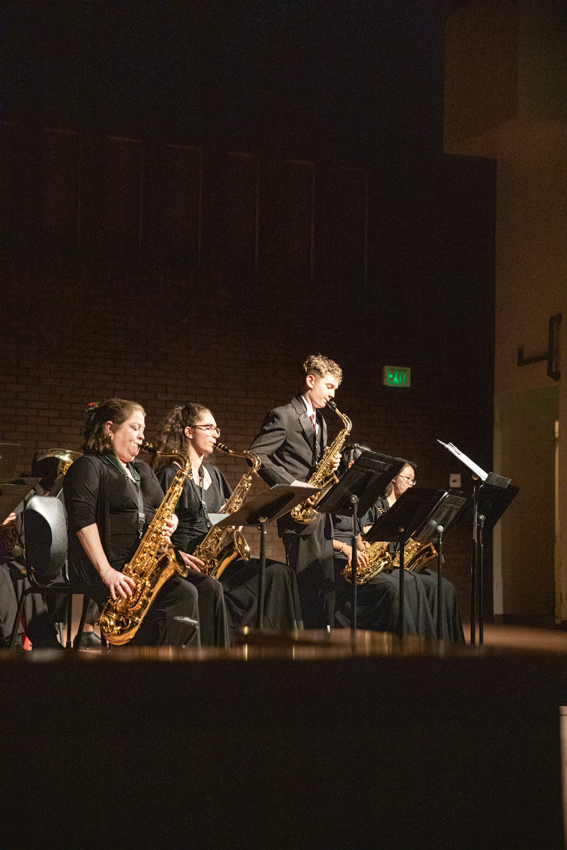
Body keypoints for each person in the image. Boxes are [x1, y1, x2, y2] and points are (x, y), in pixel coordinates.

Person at [63, 398, 206, 647]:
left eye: (143, 429)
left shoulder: (143, 469)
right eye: (135, 428)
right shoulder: (89, 466)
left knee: (208, 588)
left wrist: (170, 522)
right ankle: (162, 675)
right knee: (182, 595)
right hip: (106, 564)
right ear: (110, 428)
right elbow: (81, 520)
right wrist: (107, 572)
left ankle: (210, 670)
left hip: (141, 562)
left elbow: (163, 511)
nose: (142, 436)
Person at [154, 403, 302, 633]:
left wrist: (234, 521)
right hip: (188, 561)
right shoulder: (168, 475)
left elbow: (222, 517)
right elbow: (155, 528)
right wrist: (174, 554)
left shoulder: (214, 474)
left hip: (216, 558)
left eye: (217, 429)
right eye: (209, 428)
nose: (215, 434)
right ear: (189, 432)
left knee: (279, 573)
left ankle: (277, 648)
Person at [249, 354, 343, 629]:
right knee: (306, 587)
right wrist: (292, 485)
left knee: (324, 586)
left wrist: (330, 462)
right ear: (310, 380)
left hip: (319, 512)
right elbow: (256, 456)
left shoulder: (321, 421)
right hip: (297, 511)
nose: (332, 394)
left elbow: (313, 463)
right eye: (329, 386)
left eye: (335, 388)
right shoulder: (284, 415)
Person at [332, 445, 436, 637]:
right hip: (337, 558)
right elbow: (322, 537)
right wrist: (347, 550)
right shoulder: (333, 494)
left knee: (412, 580)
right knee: (394, 587)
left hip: (357, 555)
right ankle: (402, 645)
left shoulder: (357, 499)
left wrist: (368, 551)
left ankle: (424, 645)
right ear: (353, 466)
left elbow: (357, 534)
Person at [366, 461, 465, 642]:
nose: (411, 484)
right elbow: (367, 537)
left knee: (445, 587)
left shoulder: (411, 511)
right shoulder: (376, 506)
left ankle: (445, 644)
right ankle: (420, 643)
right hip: (386, 565)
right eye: (407, 479)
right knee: (413, 584)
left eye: (413, 480)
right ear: (394, 479)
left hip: (405, 564)